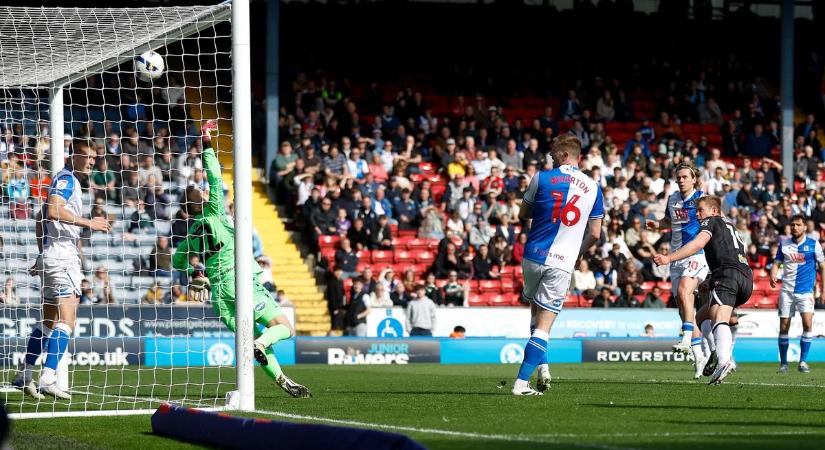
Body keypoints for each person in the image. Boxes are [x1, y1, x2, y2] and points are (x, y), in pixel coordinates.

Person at [172, 120, 309, 398]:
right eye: (204, 191)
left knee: (251, 339)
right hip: (240, 280)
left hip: (219, 294)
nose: (208, 191)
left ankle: (282, 380)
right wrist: (206, 141)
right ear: (202, 199)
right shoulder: (214, 211)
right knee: (283, 328)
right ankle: (261, 347)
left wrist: (196, 273)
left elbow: (177, 262)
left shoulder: (191, 236)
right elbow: (214, 174)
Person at [13, 141, 111, 400]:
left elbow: (40, 218)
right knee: (67, 321)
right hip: (63, 258)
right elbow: (53, 210)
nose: (91, 162)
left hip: (51, 257)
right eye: (87, 156)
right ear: (74, 155)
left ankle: (24, 374)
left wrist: (42, 253)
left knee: (48, 323)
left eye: (94, 158)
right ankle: (48, 378)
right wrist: (88, 222)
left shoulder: (63, 179)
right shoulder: (67, 179)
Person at [512, 135, 603, 395]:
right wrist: (578, 253)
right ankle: (521, 383)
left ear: (565, 155)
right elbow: (595, 233)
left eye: (553, 153)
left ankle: (543, 368)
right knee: (544, 326)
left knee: (535, 315)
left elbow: (523, 214)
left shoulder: (541, 178)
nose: (550, 157)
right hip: (562, 262)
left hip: (533, 256)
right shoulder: (593, 187)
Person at [654, 196, 753, 385]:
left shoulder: (711, 221)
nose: (697, 214)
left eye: (700, 210)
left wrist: (669, 258)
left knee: (719, 318)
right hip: (745, 279)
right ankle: (716, 352)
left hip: (727, 275)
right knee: (700, 317)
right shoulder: (730, 226)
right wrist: (710, 280)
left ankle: (724, 360)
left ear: (714, 211)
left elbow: (698, 244)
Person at [645, 162, 709, 378]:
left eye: (684, 177)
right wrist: (655, 225)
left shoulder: (702, 199)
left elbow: (714, 224)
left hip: (696, 254)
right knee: (684, 310)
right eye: (678, 177)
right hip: (675, 258)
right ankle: (701, 356)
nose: (680, 180)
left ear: (694, 179)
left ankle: (686, 339)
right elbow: (668, 221)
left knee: (684, 291)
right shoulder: (672, 199)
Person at [771, 215, 825, 374]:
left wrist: (823, 290)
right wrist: (773, 274)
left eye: (798, 225)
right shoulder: (784, 244)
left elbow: (823, 267)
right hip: (787, 291)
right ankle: (784, 364)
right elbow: (776, 263)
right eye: (793, 224)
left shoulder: (814, 245)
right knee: (784, 326)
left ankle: (803, 362)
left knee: (808, 324)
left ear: (805, 227)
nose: (795, 227)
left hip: (806, 291)